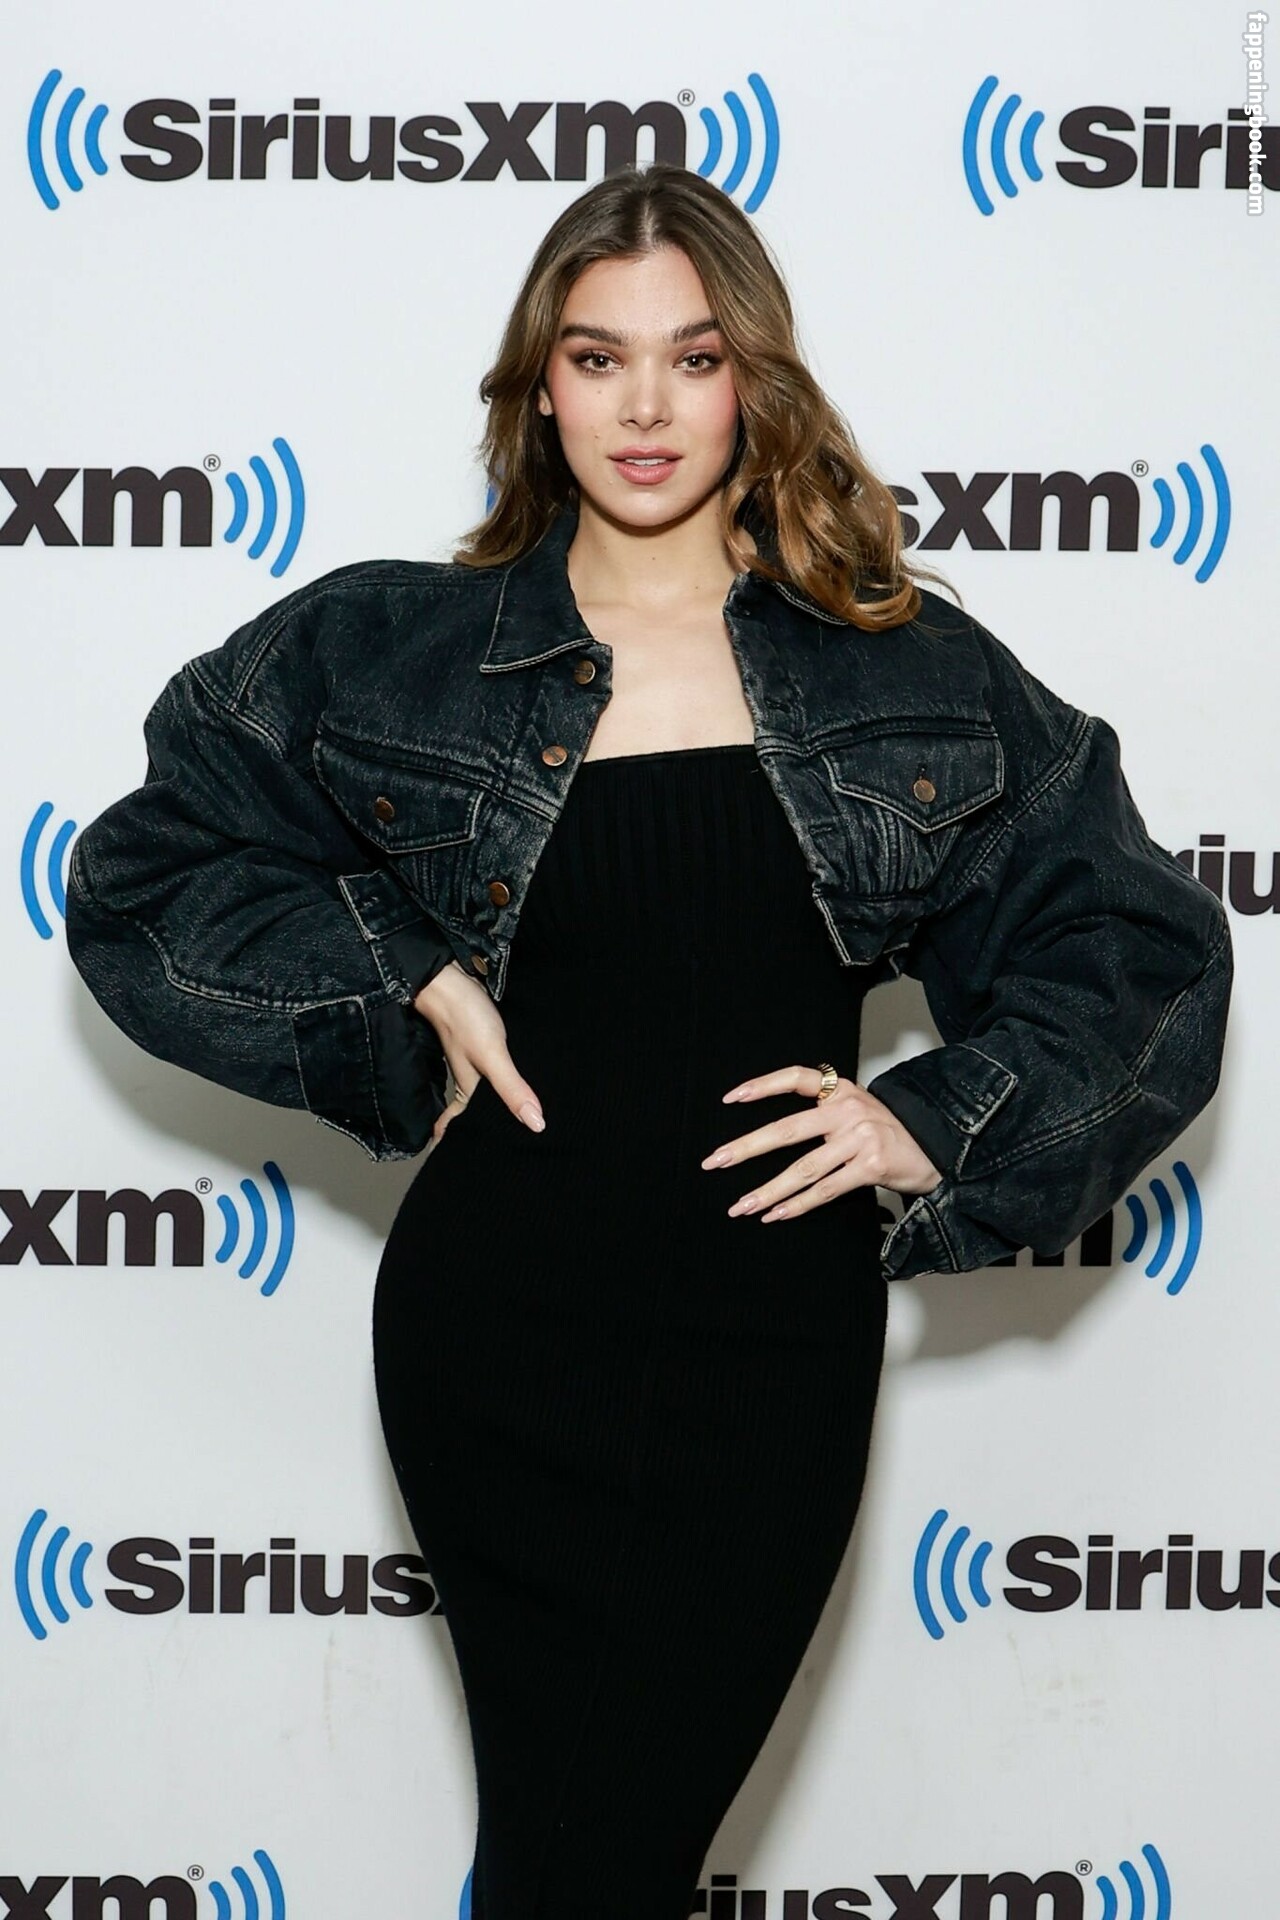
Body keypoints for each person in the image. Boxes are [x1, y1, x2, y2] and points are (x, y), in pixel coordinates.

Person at [64, 163, 1232, 1919]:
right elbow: (140, 879)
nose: (645, 407)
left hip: (771, 1344)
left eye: (693, 359)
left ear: (750, 381)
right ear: (540, 385)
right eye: (598, 358)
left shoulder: (899, 669)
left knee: (597, 1851)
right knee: (580, 1853)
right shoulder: (393, 649)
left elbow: (1141, 948)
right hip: (496, 1333)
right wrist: (404, 972)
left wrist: (937, 1120)